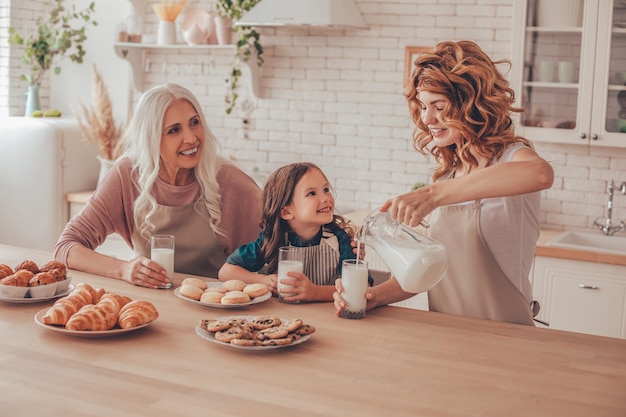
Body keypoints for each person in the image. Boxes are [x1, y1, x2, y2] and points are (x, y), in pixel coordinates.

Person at [334, 40, 554, 325]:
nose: (427, 118)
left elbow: (541, 173)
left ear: (472, 104)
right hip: (447, 334)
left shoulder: (512, 158)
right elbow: (434, 270)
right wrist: (373, 296)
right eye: (424, 106)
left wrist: (433, 195)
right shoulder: (451, 173)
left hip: (505, 335)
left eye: (439, 106)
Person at [54, 83, 262, 288]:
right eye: (174, 130)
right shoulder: (128, 174)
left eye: (194, 122)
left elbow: (280, 251)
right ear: (151, 137)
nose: (191, 138)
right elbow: (67, 247)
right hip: (148, 305)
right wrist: (124, 269)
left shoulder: (230, 182)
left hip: (215, 311)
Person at [219, 162, 370, 302]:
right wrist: (263, 281)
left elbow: (363, 287)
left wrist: (315, 293)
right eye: (312, 193)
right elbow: (226, 272)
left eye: (326, 190)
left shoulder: (339, 239)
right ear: (286, 212)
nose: (325, 198)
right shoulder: (272, 239)